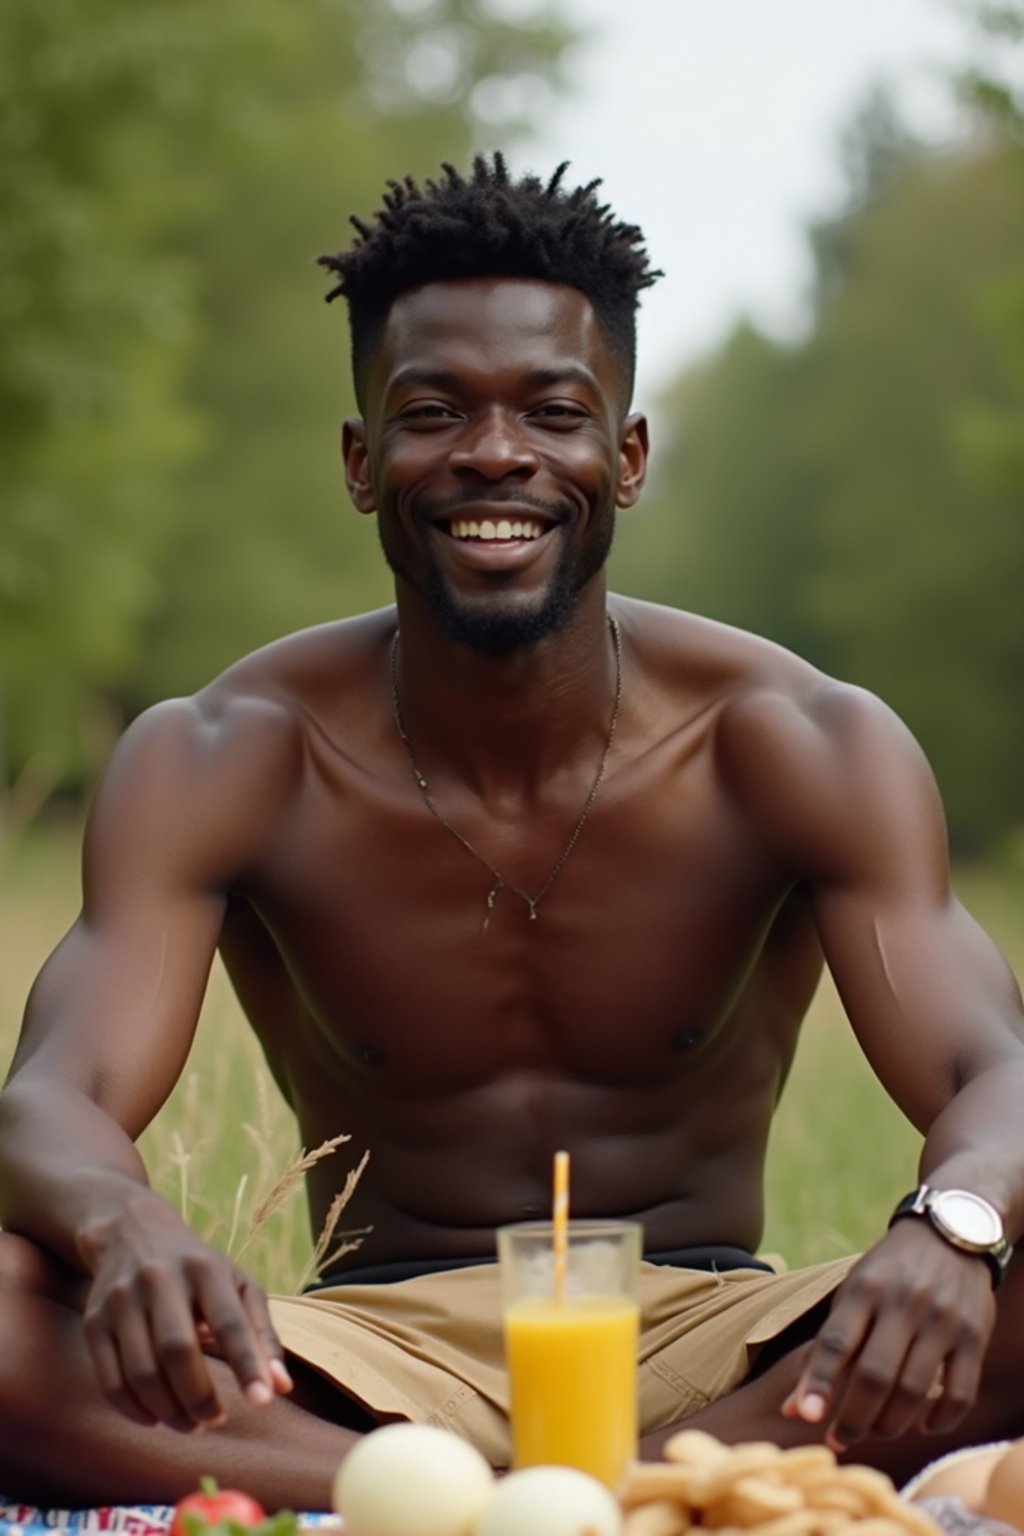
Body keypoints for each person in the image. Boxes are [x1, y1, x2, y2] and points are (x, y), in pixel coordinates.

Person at [0, 153, 1022, 1511]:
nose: (495, 454)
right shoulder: (221, 755)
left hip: (725, 1346)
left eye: (554, 410)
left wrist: (952, 1227)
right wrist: (125, 1225)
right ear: (364, 465)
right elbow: (52, 1098)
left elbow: (993, 1070)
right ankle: (569, 1504)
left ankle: (503, 1505)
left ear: (629, 455)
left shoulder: (798, 739)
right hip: (363, 1356)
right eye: (434, 413)